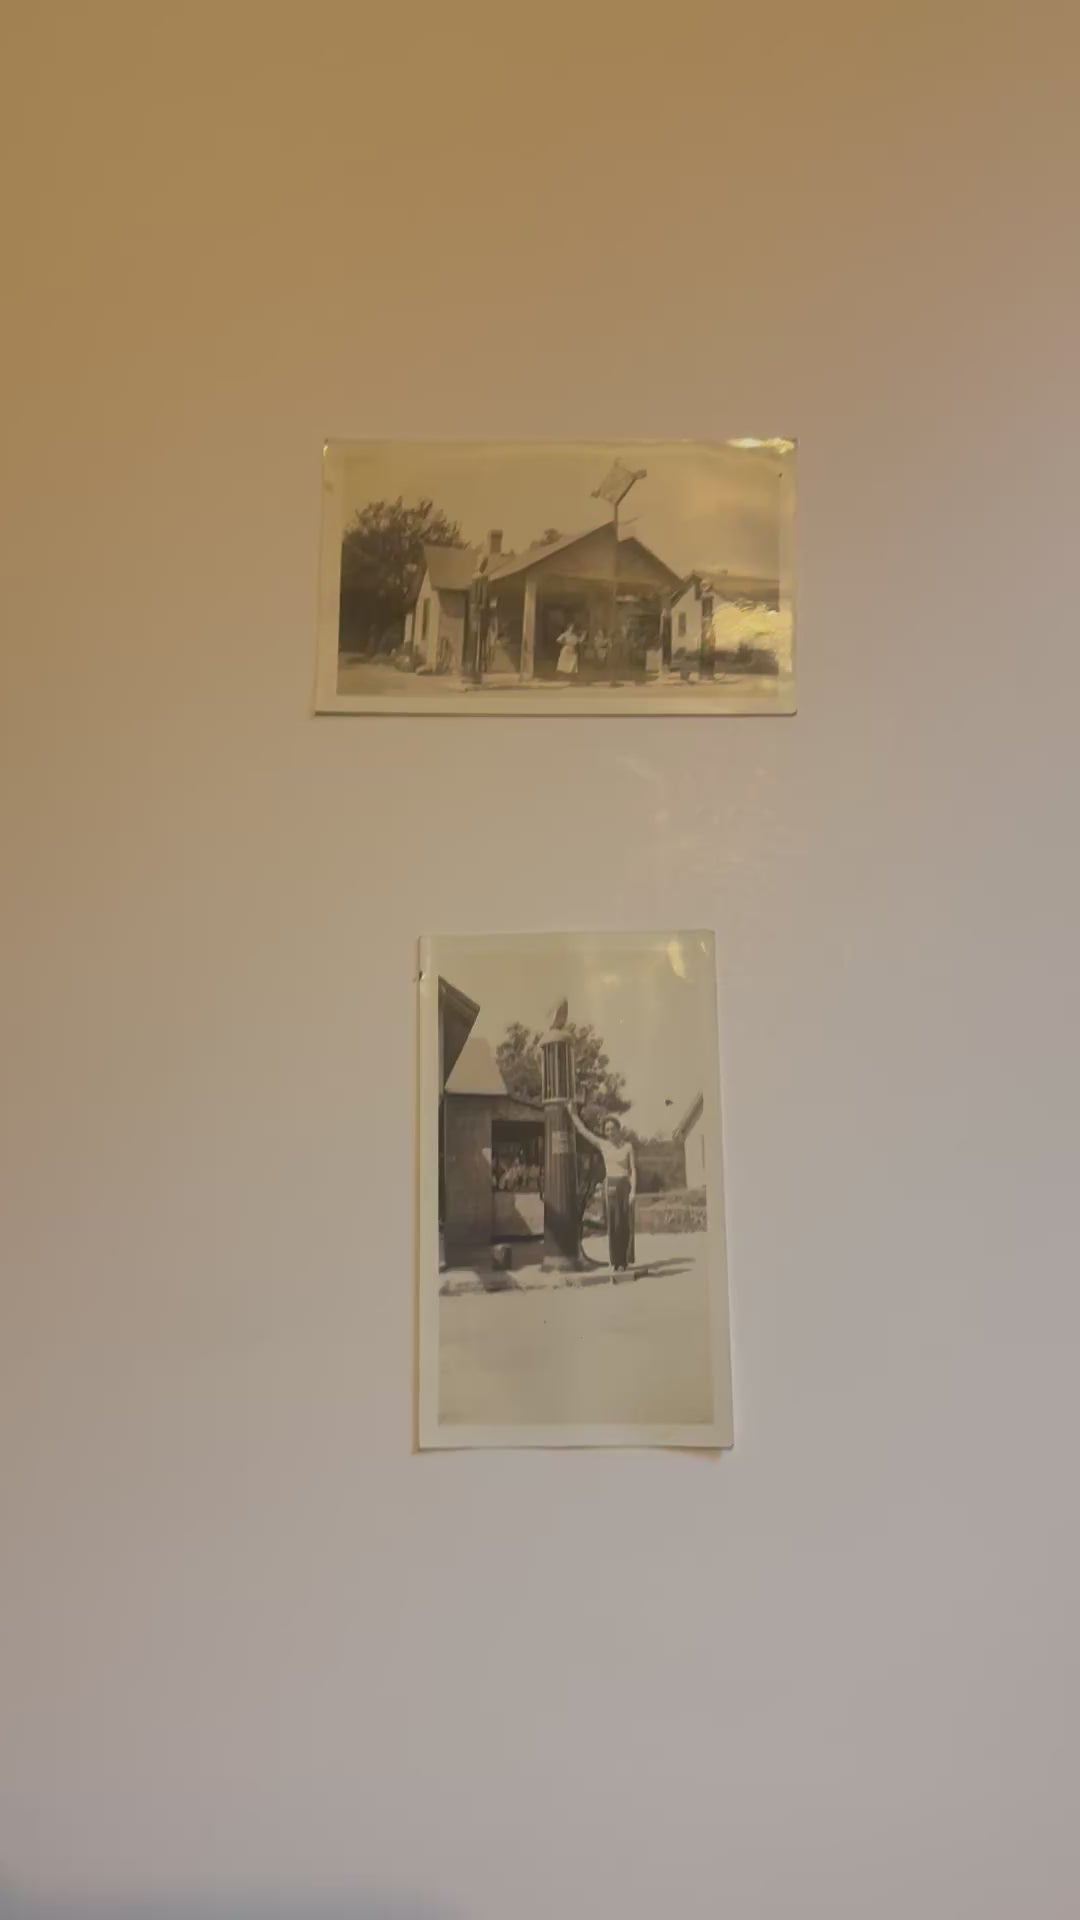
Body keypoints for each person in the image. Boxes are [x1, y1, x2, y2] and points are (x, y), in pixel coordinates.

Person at [567, 1104, 637, 1273]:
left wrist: (633, 1192)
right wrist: (573, 1114)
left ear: (619, 1130)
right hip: (610, 1185)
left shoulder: (628, 1147)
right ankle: (616, 1262)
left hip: (625, 1185)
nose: (610, 1132)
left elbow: (633, 1170)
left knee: (625, 1224)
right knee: (613, 1225)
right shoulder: (603, 1144)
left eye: (612, 1129)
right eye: (607, 1130)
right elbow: (584, 1132)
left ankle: (625, 1260)